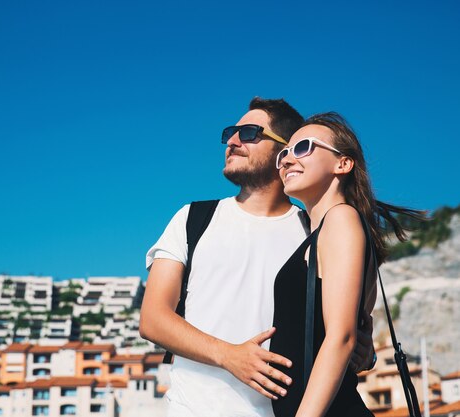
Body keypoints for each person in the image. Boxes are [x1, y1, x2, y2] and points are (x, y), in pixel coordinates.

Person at [139, 98, 374, 417]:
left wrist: (365, 350)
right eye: (230, 133)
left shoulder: (317, 230)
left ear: (283, 150)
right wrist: (229, 356)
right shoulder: (193, 219)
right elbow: (152, 319)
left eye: (249, 133)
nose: (232, 141)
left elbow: (350, 329)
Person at [270, 112, 422, 417]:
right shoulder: (328, 230)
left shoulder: (340, 219)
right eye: (284, 153)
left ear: (343, 163)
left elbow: (342, 337)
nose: (286, 159)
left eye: (303, 148)